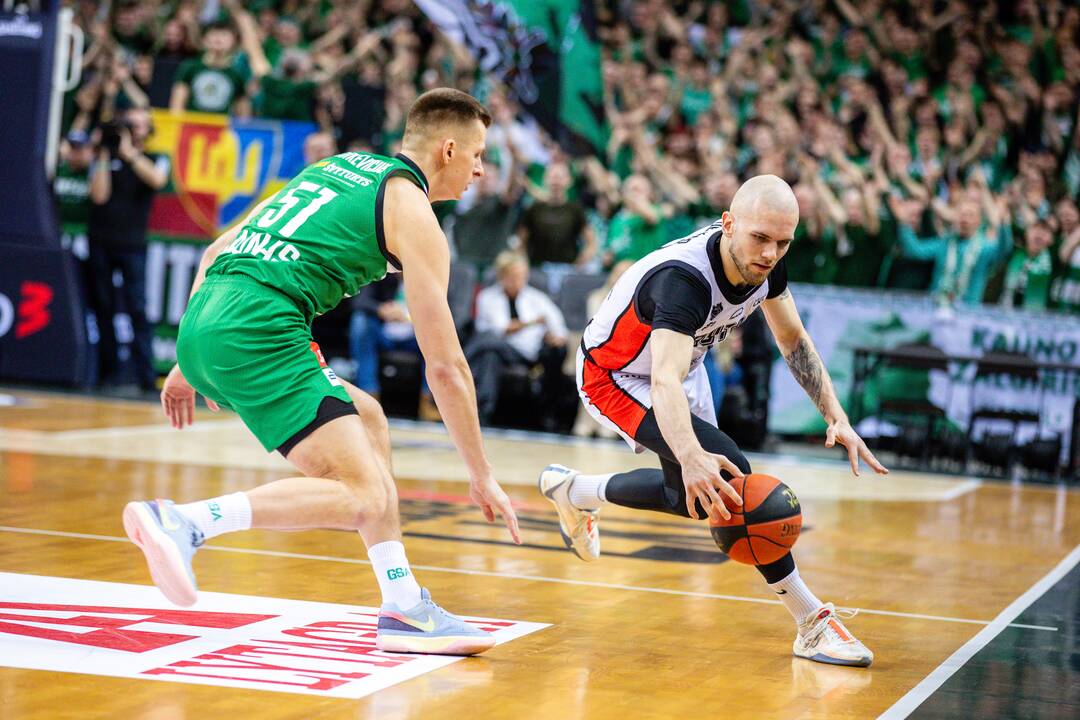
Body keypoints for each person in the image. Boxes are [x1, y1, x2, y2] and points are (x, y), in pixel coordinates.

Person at [123, 88, 520, 656]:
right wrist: (481, 474)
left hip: (207, 315)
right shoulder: (415, 215)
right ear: (449, 149)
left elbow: (215, 250)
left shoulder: (336, 167)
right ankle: (185, 522)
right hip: (260, 328)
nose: (482, 169)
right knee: (359, 495)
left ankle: (403, 604)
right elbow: (447, 368)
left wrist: (188, 363)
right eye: (479, 155)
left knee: (369, 417)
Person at [540, 175, 887, 667]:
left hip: (682, 367)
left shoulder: (767, 267)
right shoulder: (683, 281)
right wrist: (691, 455)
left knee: (693, 501)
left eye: (782, 242)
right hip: (615, 375)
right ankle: (811, 622)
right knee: (732, 479)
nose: (770, 253)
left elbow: (793, 341)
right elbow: (661, 380)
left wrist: (837, 416)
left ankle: (573, 491)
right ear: (728, 224)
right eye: (760, 238)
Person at [87, 107, 170, 391]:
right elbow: (99, 195)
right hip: (100, 241)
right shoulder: (105, 157)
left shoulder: (154, 158)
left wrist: (128, 153)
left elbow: (158, 180)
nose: (133, 130)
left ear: (148, 131)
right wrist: (103, 154)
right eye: (128, 125)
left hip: (132, 244)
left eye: (138, 126)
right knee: (103, 307)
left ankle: (146, 377)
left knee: (137, 307)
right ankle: (107, 373)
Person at [465, 252, 568, 425]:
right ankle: (484, 413)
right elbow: (503, 328)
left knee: (486, 342)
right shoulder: (488, 297)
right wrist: (534, 322)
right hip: (498, 348)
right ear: (501, 276)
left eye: (522, 276)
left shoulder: (537, 298)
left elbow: (559, 328)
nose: (518, 281)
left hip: (527, 352)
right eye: (513, 277)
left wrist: (554, 336)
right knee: (490, 352)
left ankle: (465, 359)